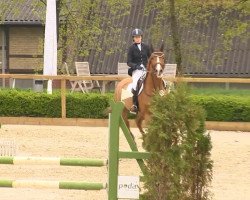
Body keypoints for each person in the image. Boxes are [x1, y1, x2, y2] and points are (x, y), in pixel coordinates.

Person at [127, 28, 151, 114]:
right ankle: (135, 105)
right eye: (136, 37)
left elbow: (151, 58)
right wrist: (136, 66)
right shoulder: (131, 48)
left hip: (146, 70)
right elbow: (129, 62)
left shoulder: (146, 47)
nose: (137, 38)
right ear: (133, 38)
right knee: (135, 84)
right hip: (136, 70)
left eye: (139, 37)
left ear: (141, 37)